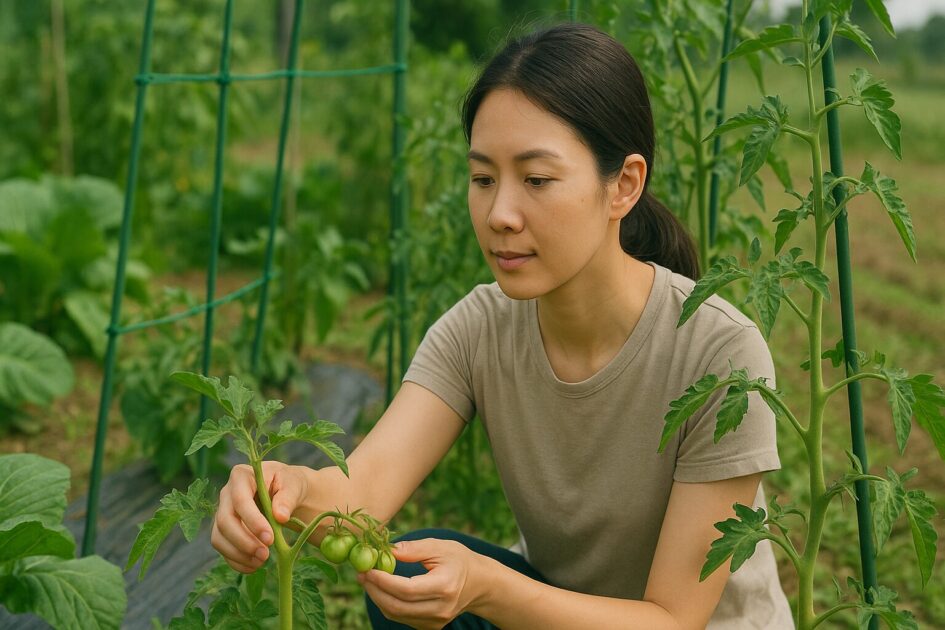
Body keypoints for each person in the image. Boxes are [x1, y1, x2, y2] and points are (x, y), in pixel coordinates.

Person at [211, 22, 795, 629]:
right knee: (408, 580)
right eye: (483, 178)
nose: (499, 214)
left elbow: (672, 620)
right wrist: (285, 491)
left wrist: (489, 587)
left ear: (623, 185)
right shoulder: (480, 327)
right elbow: (363, 491)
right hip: (559, 614)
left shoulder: (718, 352)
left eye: (536, 180)